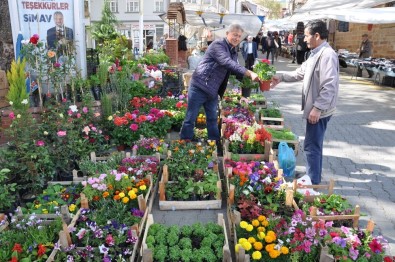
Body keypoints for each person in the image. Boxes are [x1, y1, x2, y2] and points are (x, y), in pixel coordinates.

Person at [271, 19, 339, 185]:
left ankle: (313, 179)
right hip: (317, 108)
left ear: (317, 35)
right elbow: (300, 73)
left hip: (320, 110)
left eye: (307, 36)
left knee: (311, 145)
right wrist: (280, 77)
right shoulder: (315, 53)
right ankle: (312, 174)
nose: (304, 39)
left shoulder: (327, 55)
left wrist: (317, 108)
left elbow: (329, 85)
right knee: (312, 144)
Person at [180, 24, 259, 146]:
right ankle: (184, 143)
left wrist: (247, 87)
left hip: (212, 90)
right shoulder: (218, 45)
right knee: (190, 118)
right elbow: (226, 62)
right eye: (234, 35)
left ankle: (215, 144)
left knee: (212, 118)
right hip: (199, 86)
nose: (237, 38)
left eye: (239, 36)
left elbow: (234, 70)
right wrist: (248, 72)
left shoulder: (233, 52)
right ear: (227, 34)